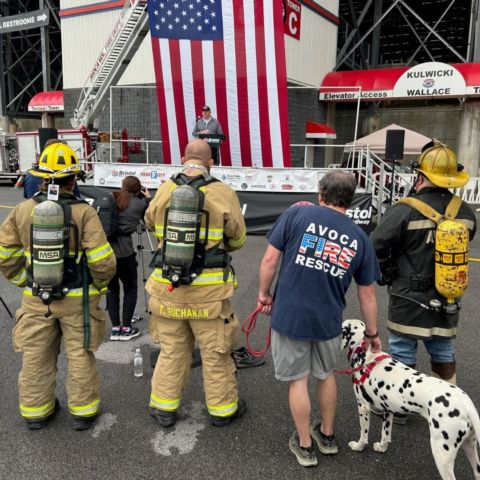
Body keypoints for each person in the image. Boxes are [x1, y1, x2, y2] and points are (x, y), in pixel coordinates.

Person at [257, 170, 381, 467]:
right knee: (325, 375)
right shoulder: (359, 238)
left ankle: (305, 445)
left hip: (291, 316)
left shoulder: (296, 216)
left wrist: (264, 293)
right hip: (328, 320)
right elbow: (368, 295)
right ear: (350, 201)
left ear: (320, 193)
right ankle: (326, 436)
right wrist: (372, 334)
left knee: (297, 380)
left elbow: (270, 259)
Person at [0, 142, 116, 431]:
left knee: (36, 356)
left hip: (36, 300)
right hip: (78, 302)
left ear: (41, 178)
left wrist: (25, 283)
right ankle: (83, 412)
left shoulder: (23, 210)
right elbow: (103, 262)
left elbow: (5, 256)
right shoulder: (84, 213)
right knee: (80, 356)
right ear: (73, 179)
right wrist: (98, 288)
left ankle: (36, 412)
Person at [145, 139, 247, 428]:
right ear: (210, 161)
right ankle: (223, 410)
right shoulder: (222, 192)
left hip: (168, 291)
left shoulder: (165, 189)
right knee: (216, 353)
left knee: (172, 351)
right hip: (209, 295)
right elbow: (238, 238)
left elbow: (150, 222)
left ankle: (163, 409)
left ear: (183, 158)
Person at [372, 142, 476, 389]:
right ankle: (448, 400)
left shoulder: (404, 210)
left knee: (402, 350)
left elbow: (375, 243)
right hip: (447, 296)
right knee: (442, 348)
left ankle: (401, 407)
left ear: (420, 176)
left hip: (408, 296)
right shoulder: (466, 212)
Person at [107, 176, 150, 341]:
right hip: (125, 252)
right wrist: (148, 199)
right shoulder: (139, 204)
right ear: (138, 188)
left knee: (112, 290)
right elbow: (150, 220)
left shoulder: (112, 198)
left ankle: (115, 328)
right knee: (130, 288)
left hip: (106, 252)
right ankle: (126, 327)